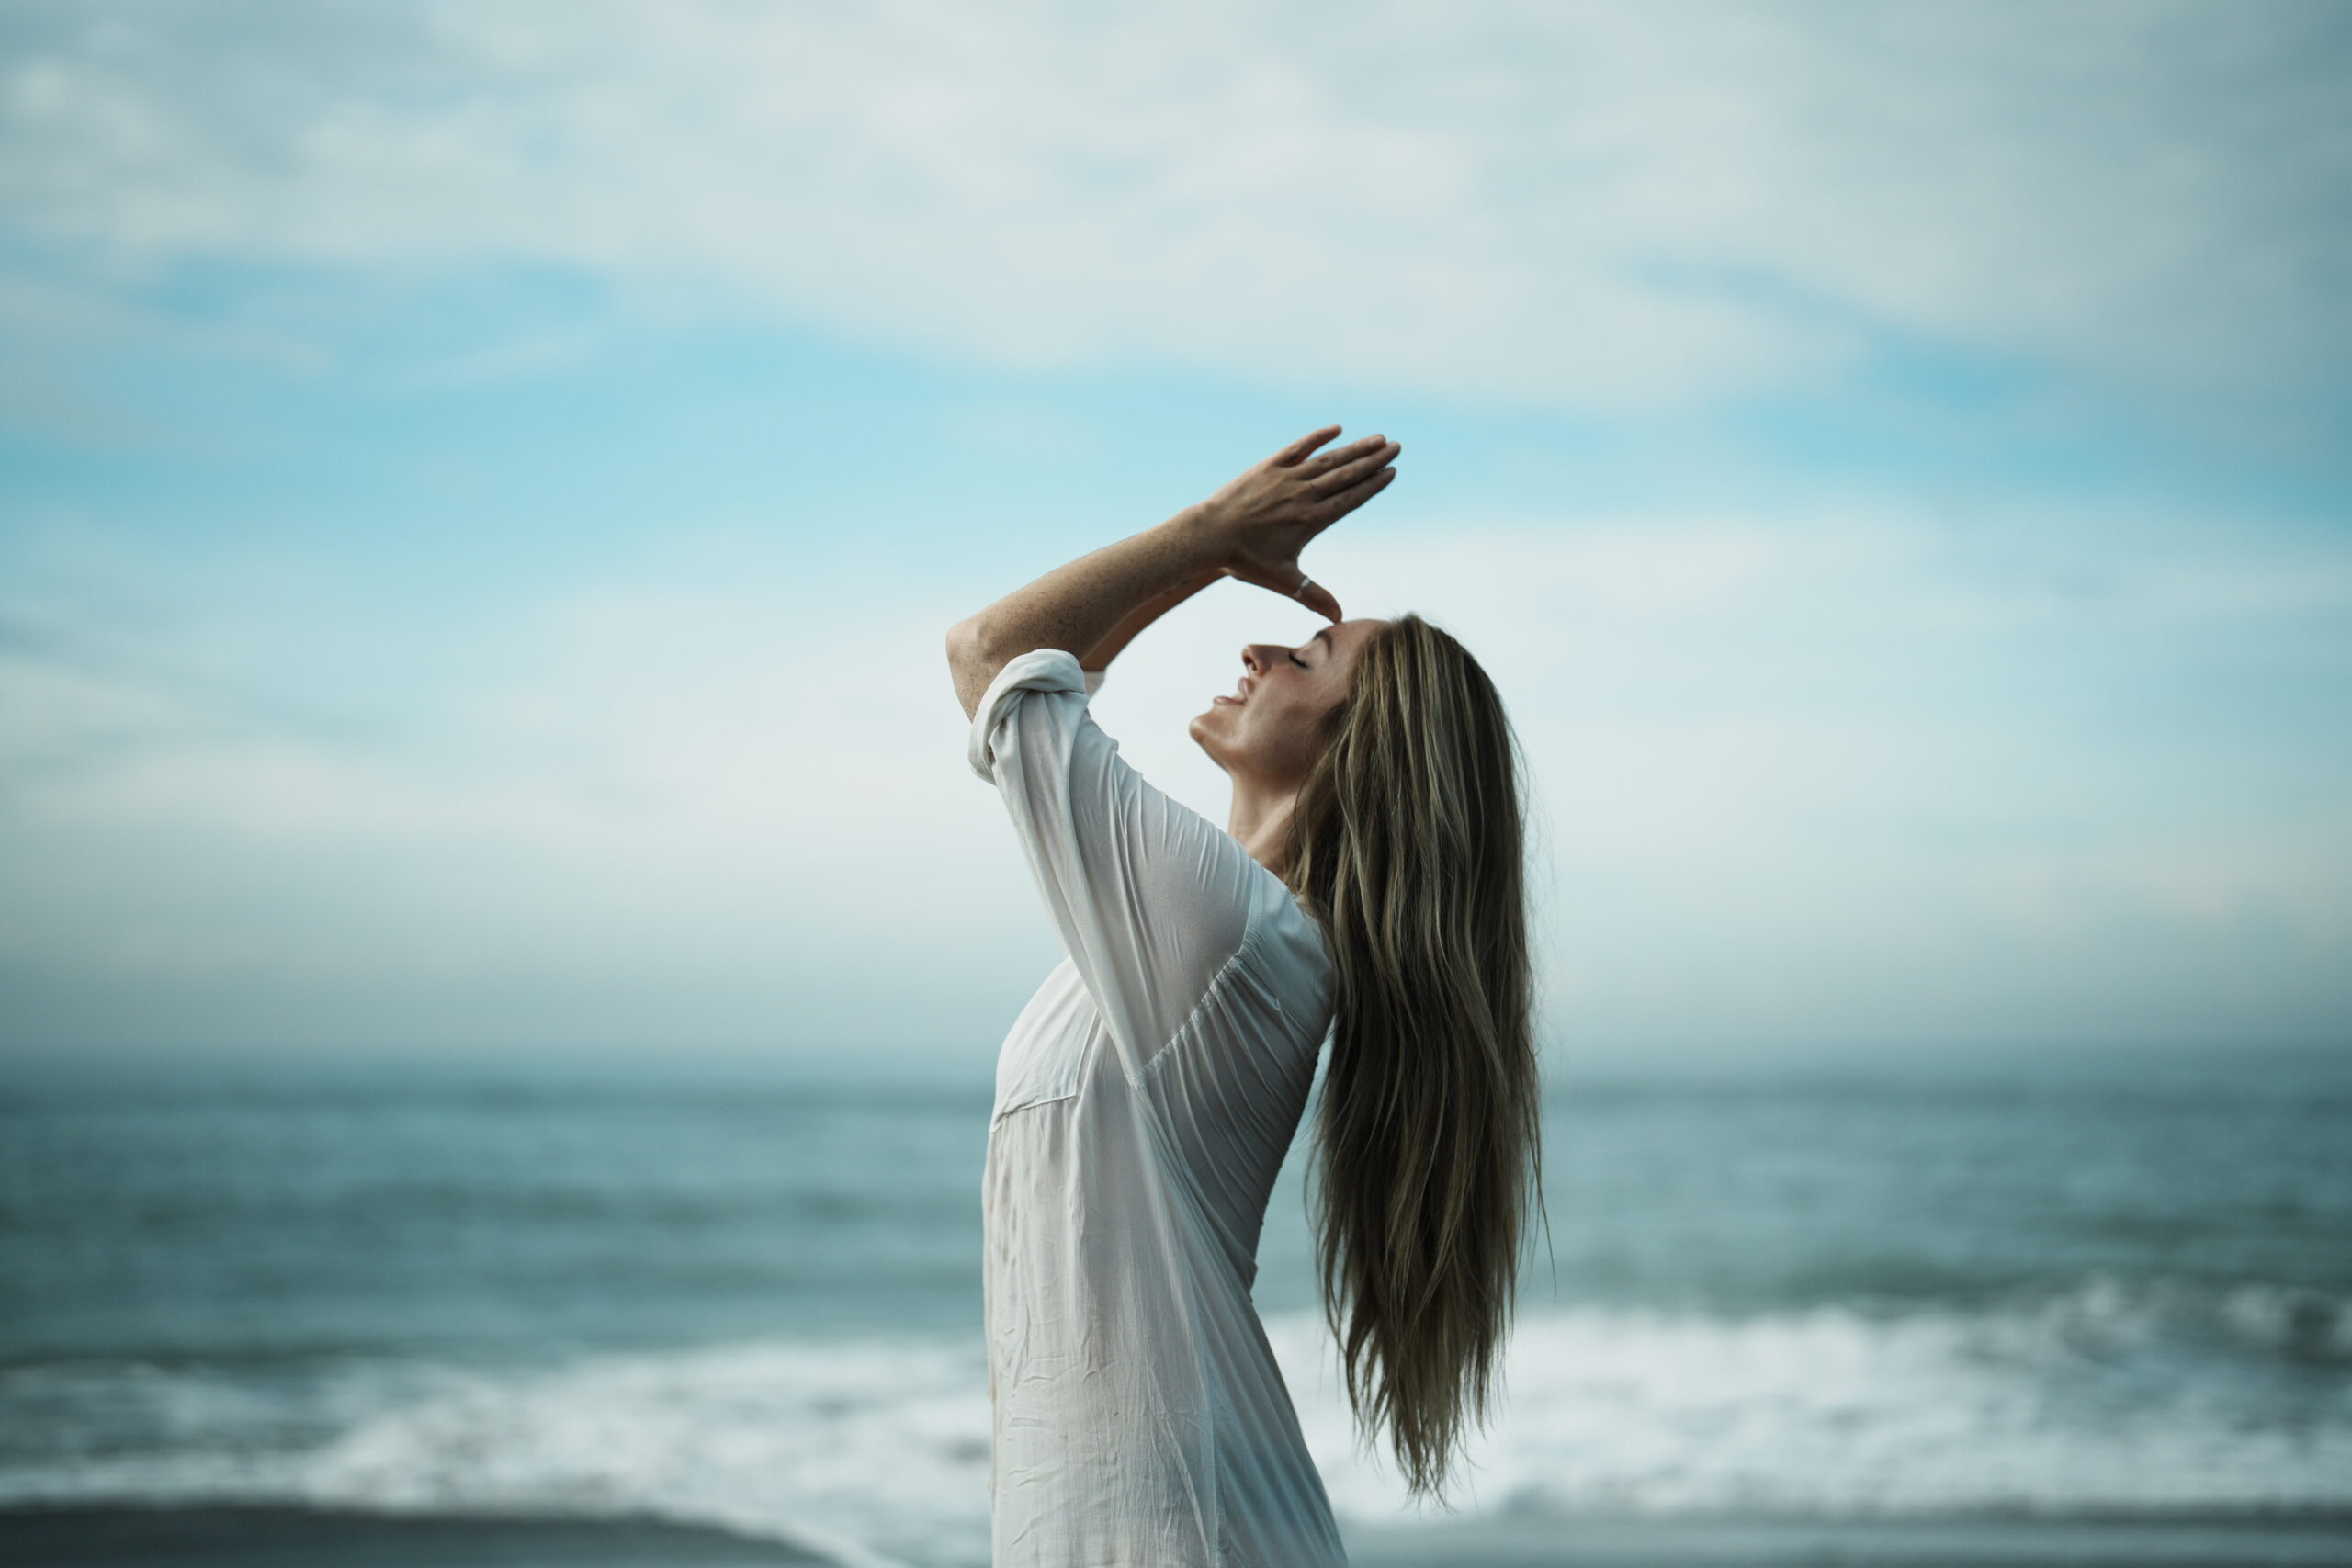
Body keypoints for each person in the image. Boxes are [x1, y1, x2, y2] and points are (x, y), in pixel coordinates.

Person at [946, 424, 1542, 1567]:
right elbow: (1030, 679)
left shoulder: (1233, 931)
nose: (1264, 647)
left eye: (1310, 660)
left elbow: (993, 657)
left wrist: (1209, 541)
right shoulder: (1238, 939)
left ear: (1360, 754)